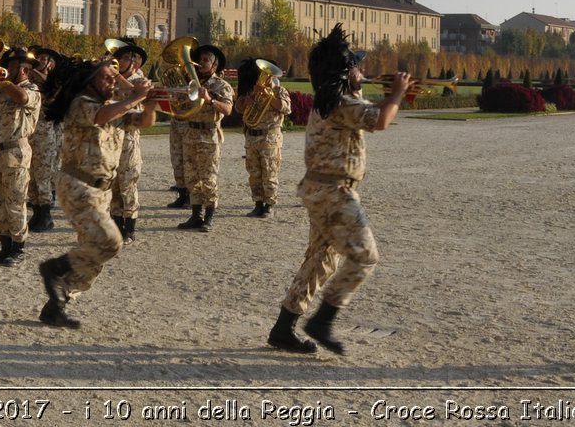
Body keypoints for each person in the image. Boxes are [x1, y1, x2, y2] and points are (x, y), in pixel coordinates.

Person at [267, 25, 413, 356]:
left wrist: (376, 89)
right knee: (365, 255)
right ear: (343, 73)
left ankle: (283, 328)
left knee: (321, 260)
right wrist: (398, 93)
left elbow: (370, 111)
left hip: (322, 189)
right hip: (334, 193)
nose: (363, 71)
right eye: (356, 67)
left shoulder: (335, 100)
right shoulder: (341, 104)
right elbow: (381, 121)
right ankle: (322, 321)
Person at [37, 55, 155, 329]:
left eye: (114, 77)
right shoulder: (81, 104)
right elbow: (102, 116)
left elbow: (145, 122)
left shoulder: (113, 108)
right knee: (111, 242)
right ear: (90, 82)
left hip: (102, 192)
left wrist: (150, 103)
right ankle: (53, 269)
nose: (113, 80)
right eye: (106, 77)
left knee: (94, 253)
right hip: (79, 186)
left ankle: (58, 302)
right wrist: (135, 96)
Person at [0, 46, 43, 265]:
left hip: (14, 153)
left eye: (13, 67)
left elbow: (22, 98)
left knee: (15, 203)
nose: (7, 69)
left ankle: (18, 248)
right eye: (7, 66)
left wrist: (4, 80)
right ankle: (5, 247)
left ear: (24, 70)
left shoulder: (31, 88)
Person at [174, 43, 234, 232]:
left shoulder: (222, 85)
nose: (200, 63)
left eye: (205, 60)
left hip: (208, 136)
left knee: (208, 178)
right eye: (200, 60)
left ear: (214, 66)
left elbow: (228, 109)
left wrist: (210, 100)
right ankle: (195, 215)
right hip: (190, 134)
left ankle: (209, 217)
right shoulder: (192, 83)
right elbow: (180, 107)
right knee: (192, 178)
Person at [105, 40, 156, 243]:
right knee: (113, 185)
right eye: (120, 57)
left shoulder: (139, 80)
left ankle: (130, 227)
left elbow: (138, 94)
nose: (120, 61)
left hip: (128, 138)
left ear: (135, 64)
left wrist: (116, 75)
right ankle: (116, 225)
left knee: (128, 184)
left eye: (126, 58)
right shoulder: (110, 79)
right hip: (109, 138)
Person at [234, 57, 291, 217]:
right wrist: (248, 99)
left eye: (268, 74)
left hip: (270, 139)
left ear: (273, 76)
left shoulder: (280, 91)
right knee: (254, 173)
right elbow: (238, 108)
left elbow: (286, 108)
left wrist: (269, 97)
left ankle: (269, 205)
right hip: (252, 138)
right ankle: (258, 203)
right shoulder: (251, 90)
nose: (266, 76)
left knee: (270, 173)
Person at [26, 46, 65, 233]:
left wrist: (36, 71)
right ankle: (36, 212)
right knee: (31, 175)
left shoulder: (56, 81)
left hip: (45, 133)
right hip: (30, 132)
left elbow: (51, 95)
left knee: (43, 174)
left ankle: (46, 216)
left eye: (45, 59)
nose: (41, 60)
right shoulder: (29, 78)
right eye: (39, 57)